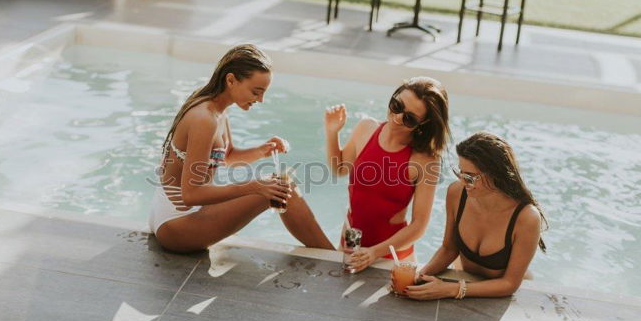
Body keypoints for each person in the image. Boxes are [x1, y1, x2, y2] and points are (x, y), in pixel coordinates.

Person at [148, 44, 331, 253]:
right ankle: (333, 257)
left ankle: (331, 255)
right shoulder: (204, 119)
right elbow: (192, 194)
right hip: (176, 224)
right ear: (231, 80)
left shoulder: (216, 108)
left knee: (278, 184)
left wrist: (263, 150)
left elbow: (227, 157)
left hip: (177, 212)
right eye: (256, 91)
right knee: (280, 188)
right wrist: (255, 186)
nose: (260, 100)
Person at [323, 77, 451, 272]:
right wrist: (332, 132)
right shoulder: (366, 129)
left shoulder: (425, 160)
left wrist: (374, 252)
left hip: (392, 258)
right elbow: (339, 169)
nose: (397, 117)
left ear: (423, 122)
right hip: (351, 245)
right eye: (396, 105)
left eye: (409, 118)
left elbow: (419, 225)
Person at [401, 131, 547, 300]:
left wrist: (451, 289)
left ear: (496, 174)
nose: (463, 182)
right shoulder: (457, 193)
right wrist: (419, 276)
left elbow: (509, 284)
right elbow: (449, 249)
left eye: (470, 177)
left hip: (499, 293)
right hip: (464, 279)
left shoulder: (526, 218)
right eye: (460, 173)